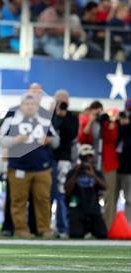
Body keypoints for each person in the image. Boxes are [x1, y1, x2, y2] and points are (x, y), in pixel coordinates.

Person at [0, 92, 59, 238]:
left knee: (43, 199)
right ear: (21, 105)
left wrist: (49, 140)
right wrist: (15, 140)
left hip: (42, 167)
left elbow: (57, 141)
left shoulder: (45, 119)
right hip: (18, 166)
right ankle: (20, 230)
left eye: (33, 104)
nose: (30, 106)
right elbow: (0, 138)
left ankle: (45, 229)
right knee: (18, 200)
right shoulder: (12, 118)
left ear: (37, 106)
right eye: (27, 104)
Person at [78, 101, 119, 228]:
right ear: (90, 111)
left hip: (108, 164)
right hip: (92, 165)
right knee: (90, 195)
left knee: (109, 197)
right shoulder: (86, 121)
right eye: (94, 111)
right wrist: (91, 120)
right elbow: (83, 138)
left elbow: (112, 138)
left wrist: (107, 122)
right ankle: (89, 227)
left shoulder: (107, 122)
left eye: (99, 111)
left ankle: (108, 227)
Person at [51, 89, 79, 238]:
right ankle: (45, 227)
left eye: (64, 101)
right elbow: (47, 132)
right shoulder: (50, 115)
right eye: (59, 101)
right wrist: (55, 115)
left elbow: (72, 134)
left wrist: (62, 117)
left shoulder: (72, 117)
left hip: (64, 158)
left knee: (62, 193)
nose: (62, 103)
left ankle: (62, 227)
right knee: (48, 194)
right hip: (49, 158)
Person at [65, 144, 107, 239]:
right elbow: (67, 190)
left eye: (89, 157)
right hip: (78, 209)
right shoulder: (72, 172)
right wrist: (76, 173)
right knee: (75, 235)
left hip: (93, 209)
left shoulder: (96, 172)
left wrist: (93, 175)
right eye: (85, 158)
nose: (87, 160)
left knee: (102, 234)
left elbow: (104, 187)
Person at [117, 99, 131, 224]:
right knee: (111, 197)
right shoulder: (119, 125)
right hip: (116, 166)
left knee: (129, 198)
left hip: (128, 168)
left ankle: (128, 225)